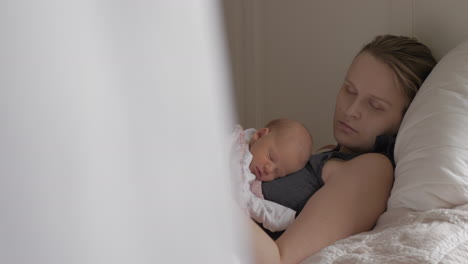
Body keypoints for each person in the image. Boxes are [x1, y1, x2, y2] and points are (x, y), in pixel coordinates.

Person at [248, 35, 437, 264]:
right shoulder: (324, 155)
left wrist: (210, 195)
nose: (351, 110)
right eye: (349, 90)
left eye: (374, 106)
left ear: (404, 120)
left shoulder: (373, 171)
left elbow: (278, 259)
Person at [231, 118, 313, 232]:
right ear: (259, 135)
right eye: (271, 157)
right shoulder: (235, 139)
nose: (269, 169)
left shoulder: (248, 180)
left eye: (277, 173)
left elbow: (250, 202)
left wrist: (285, 217)